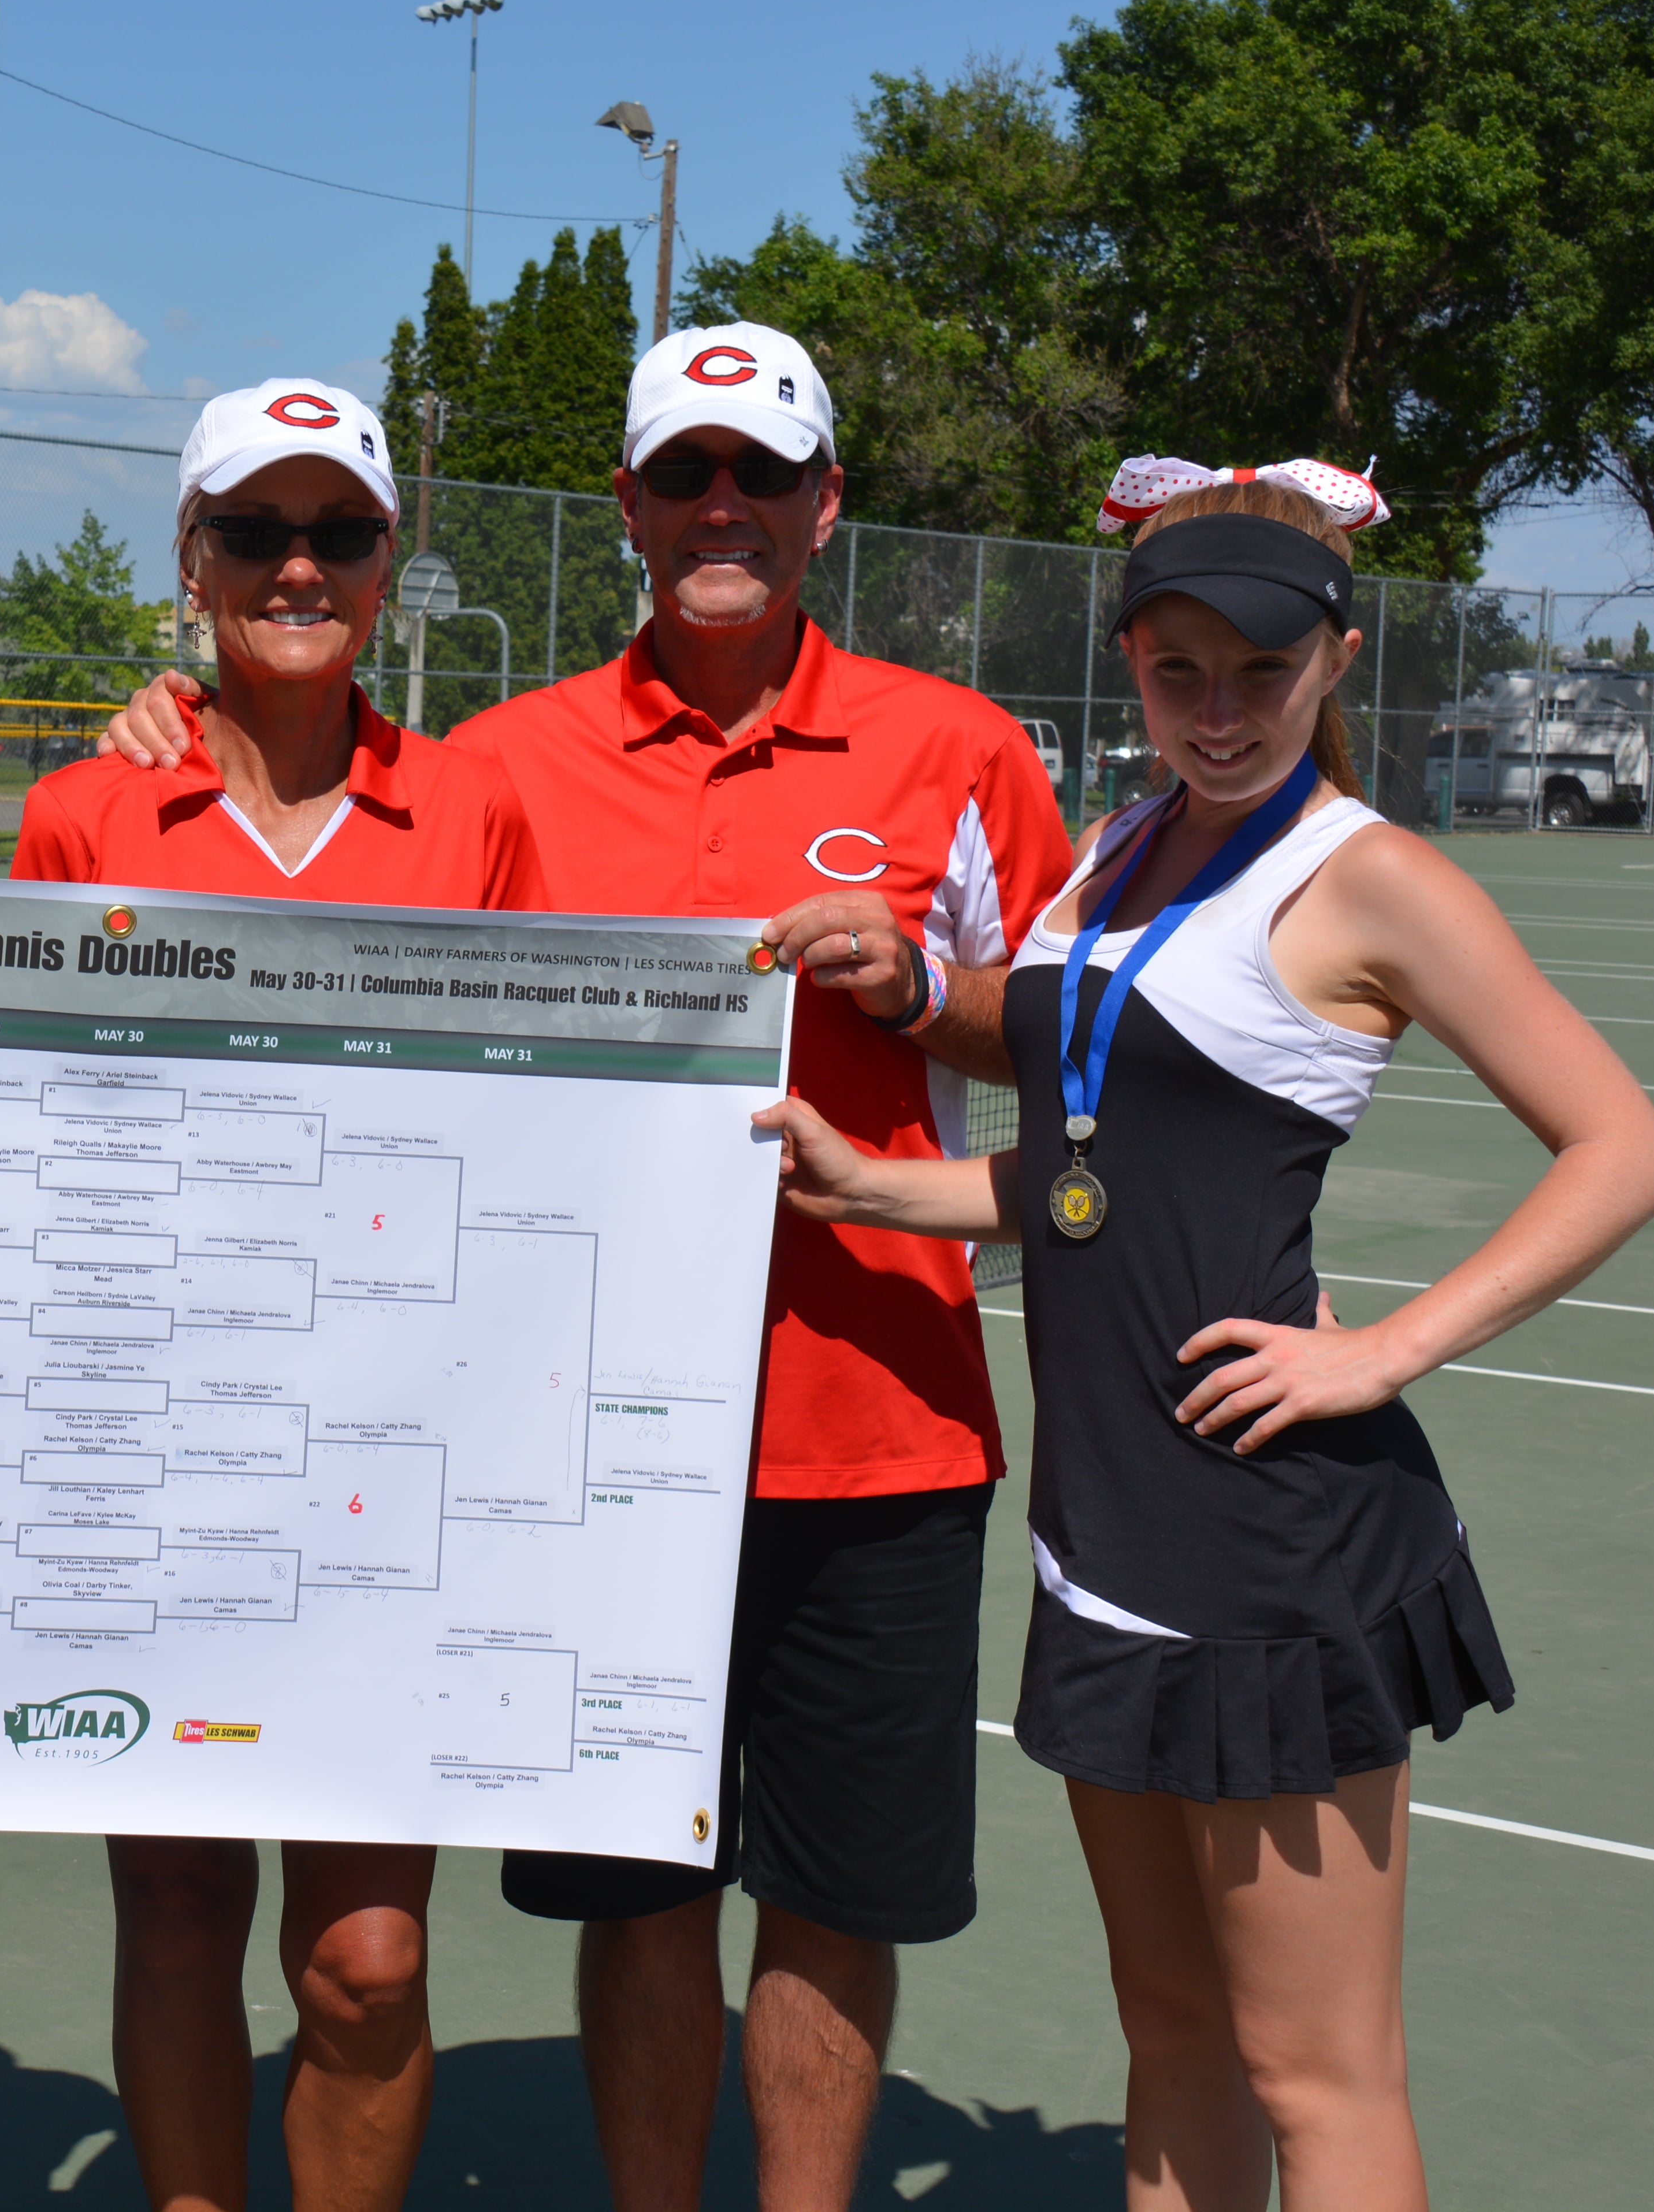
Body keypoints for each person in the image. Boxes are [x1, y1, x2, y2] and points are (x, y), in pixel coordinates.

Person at [99, 325, 1073, 2211]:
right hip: (569, 1448)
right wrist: (180, 719)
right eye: (687, 473)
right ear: (627, 503)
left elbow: (1059, 1040)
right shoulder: (497, 770)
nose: (726, 507)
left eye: (763, 475)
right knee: (640, 1893)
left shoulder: (957, 749)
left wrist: (919, 990)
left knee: (829, 1898)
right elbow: (335, 953)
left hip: (871, 1427)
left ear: (825, 503)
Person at [757, 469, 1654, 2211]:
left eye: (1261, 669)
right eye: (1177, 670)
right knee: (1171, 2031)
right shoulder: (1118, 848)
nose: (1220, 709)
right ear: (1133, 670)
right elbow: (1101, 1175)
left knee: (1313, 2076)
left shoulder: (1372, 877)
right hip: (1106, 1522)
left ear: (1335, 659)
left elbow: (1626, 1151)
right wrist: (879, 1186)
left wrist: (1381, 1352)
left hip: (1272, 1543)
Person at [16, 377, 548, 2212]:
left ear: (394, 565)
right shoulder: (86, 813)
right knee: (175, 1907)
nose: (297, 566)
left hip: (392, 1468)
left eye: (340, 532)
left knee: (367, 1959)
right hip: (151, 1452)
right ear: (194, 560)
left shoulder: (477, 813)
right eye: (255, 531)